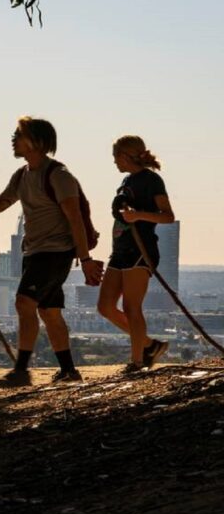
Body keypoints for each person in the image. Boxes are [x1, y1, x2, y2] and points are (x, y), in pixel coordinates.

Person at [0, 116, 103, 386]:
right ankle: (68, 370)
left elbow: (75, 218)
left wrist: (86, 259)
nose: (13, 140)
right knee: (50, 312)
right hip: (34, 253)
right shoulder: (22, 175)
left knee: (24, 303)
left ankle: (21, 371)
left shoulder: (59, 175)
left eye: (19, 135)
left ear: (37, 142)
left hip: (55, 253)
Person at [96, 136, 174, 373]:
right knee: (105, 307)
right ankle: (149, 345)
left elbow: (168, 215)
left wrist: (138, 215)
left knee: (132, 307)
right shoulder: (126, 180)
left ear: (125, 156)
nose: (114, 162)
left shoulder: (152, 180)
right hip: (120, 250)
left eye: (115, 157)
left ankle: (138, 361)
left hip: (141, 251)